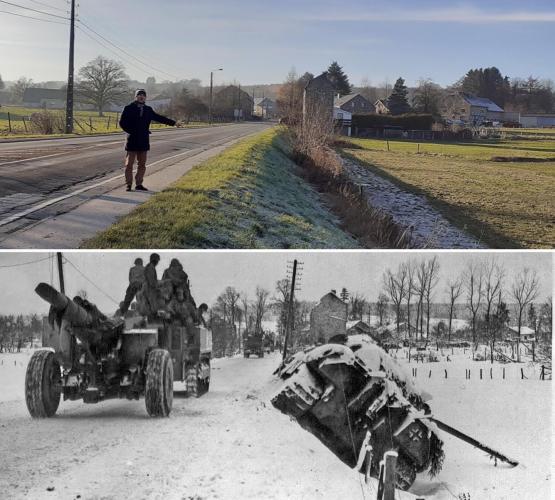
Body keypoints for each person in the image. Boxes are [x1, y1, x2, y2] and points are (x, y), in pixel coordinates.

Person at [119, 89, 179, 192]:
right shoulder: (128, 108)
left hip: (143, 140)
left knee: (142, 164)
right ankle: (128, 184)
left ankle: (139, 184)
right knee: (129, 164)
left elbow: (159, 118)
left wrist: (174, 123)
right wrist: (131, 131)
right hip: (132, 140)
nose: (141, 97)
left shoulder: (148, 109)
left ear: (145, 97)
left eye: (143, 95)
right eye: (139, 95)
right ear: (136, 97)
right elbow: (122, 123)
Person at [142, 253, 161, 318]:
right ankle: (154, 318)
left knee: (151, 305)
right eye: (157, 261)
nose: (158, 263)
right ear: (155, 260)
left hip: (148, 287)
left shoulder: (149, 267)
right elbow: (151, 282)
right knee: (153, 305)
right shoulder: (150, 267)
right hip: (149, 288)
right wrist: (158, 287)